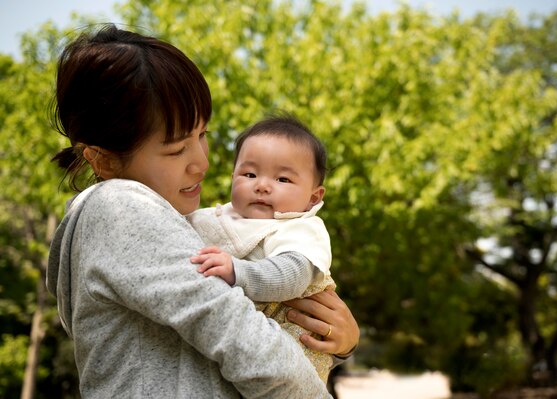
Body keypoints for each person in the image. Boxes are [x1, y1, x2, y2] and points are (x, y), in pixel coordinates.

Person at [46, 24, 358, 398]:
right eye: (176, 150)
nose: (201, 164)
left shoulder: (168, 221)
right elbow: (254, 349)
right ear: (103, 160)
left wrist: (339, 344)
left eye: (203, 135)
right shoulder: (121, 208)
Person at [187, 115, 335, 382]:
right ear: (233, 177)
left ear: (313, 197)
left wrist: (238, 271)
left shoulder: (301, 228)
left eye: (283, 179)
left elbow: (291, 277)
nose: (262, 185)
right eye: (250, 174)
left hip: (291, 339)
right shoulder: (217, 218)